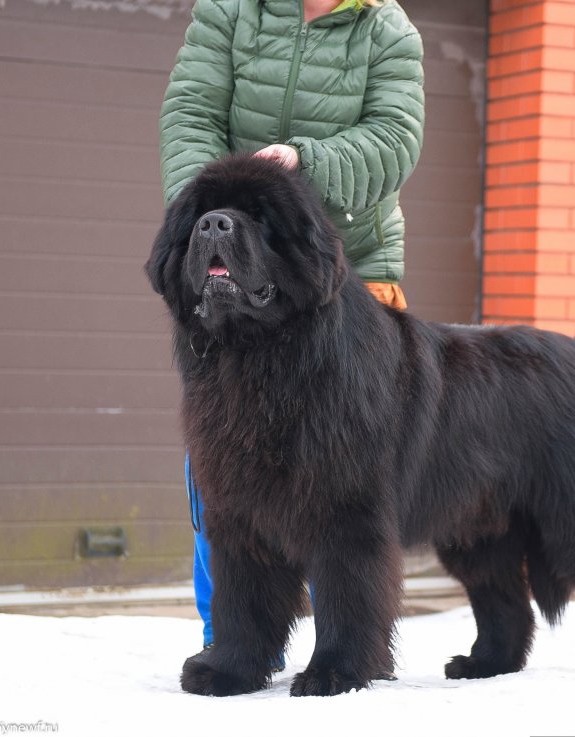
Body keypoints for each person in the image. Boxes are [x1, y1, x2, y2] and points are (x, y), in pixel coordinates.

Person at [159, 0, 425, 663]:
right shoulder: (228, 11)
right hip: (232, 260)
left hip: (350, 270)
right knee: (223, 462)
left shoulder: (387, 28)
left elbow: (395, 138)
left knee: (341, 478)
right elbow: (190, 112)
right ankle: (236, 638)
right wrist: (210, 207)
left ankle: (350, 641)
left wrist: (301, 167)